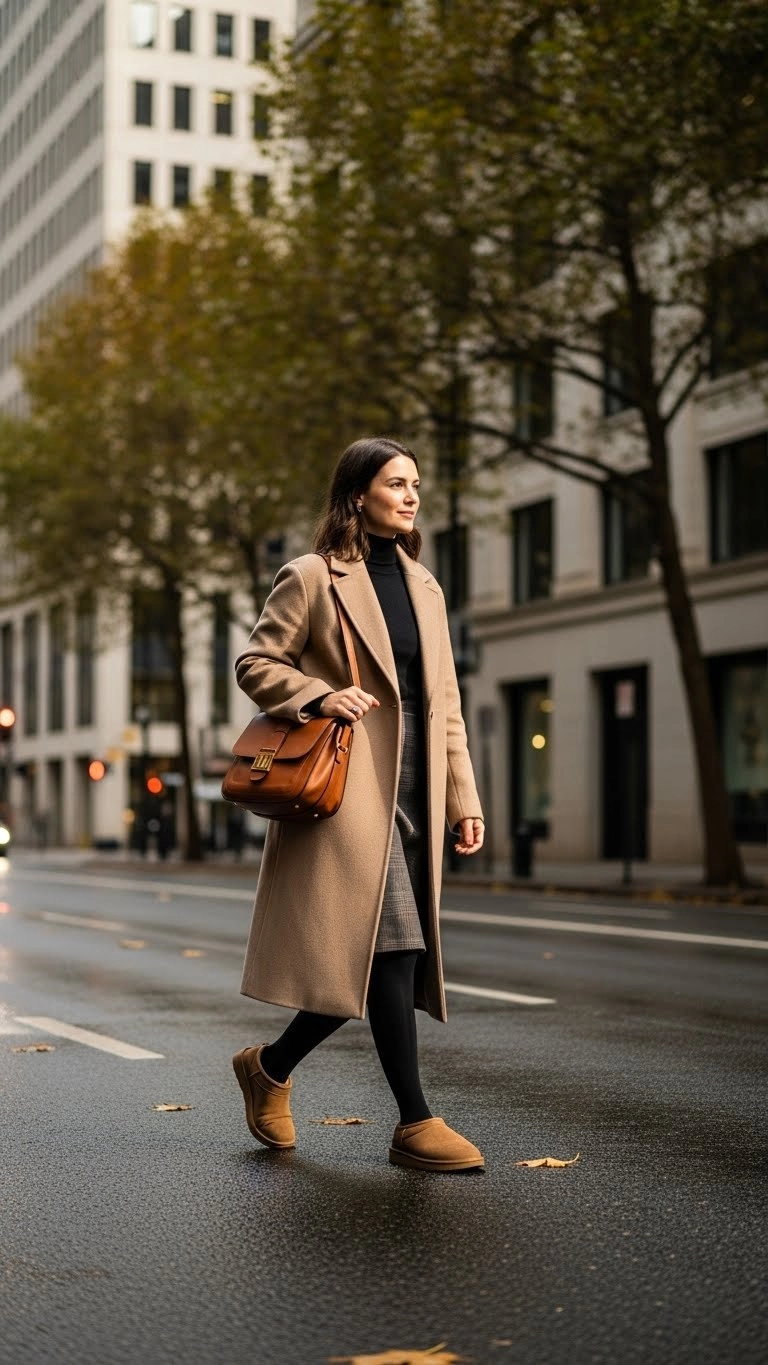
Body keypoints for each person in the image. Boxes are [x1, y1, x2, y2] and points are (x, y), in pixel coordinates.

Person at [232, 436, 486, 1173]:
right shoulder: (313, 576)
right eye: (396, 483)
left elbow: (446, 707)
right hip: (347, 793)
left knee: (363, 959)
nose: (411, 497)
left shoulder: (427, 588)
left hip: (411, 792)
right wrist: (318, 693)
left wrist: (462, 797)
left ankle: (269, 1067)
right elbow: (256, 661)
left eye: (415, 484)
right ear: (358, 494)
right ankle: (415, 1120)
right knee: (397, 947)